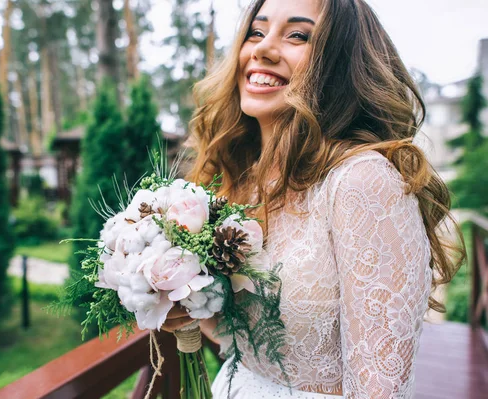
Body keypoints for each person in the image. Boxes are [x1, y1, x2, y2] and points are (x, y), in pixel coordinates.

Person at [162, 0, 464, 397]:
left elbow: (379, 389)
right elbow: (254, 346)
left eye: (298, 36)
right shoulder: (245, 181)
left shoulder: (361, 182)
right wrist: (186, 302)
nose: (263, 49)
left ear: (340, 64)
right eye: (257, 31)